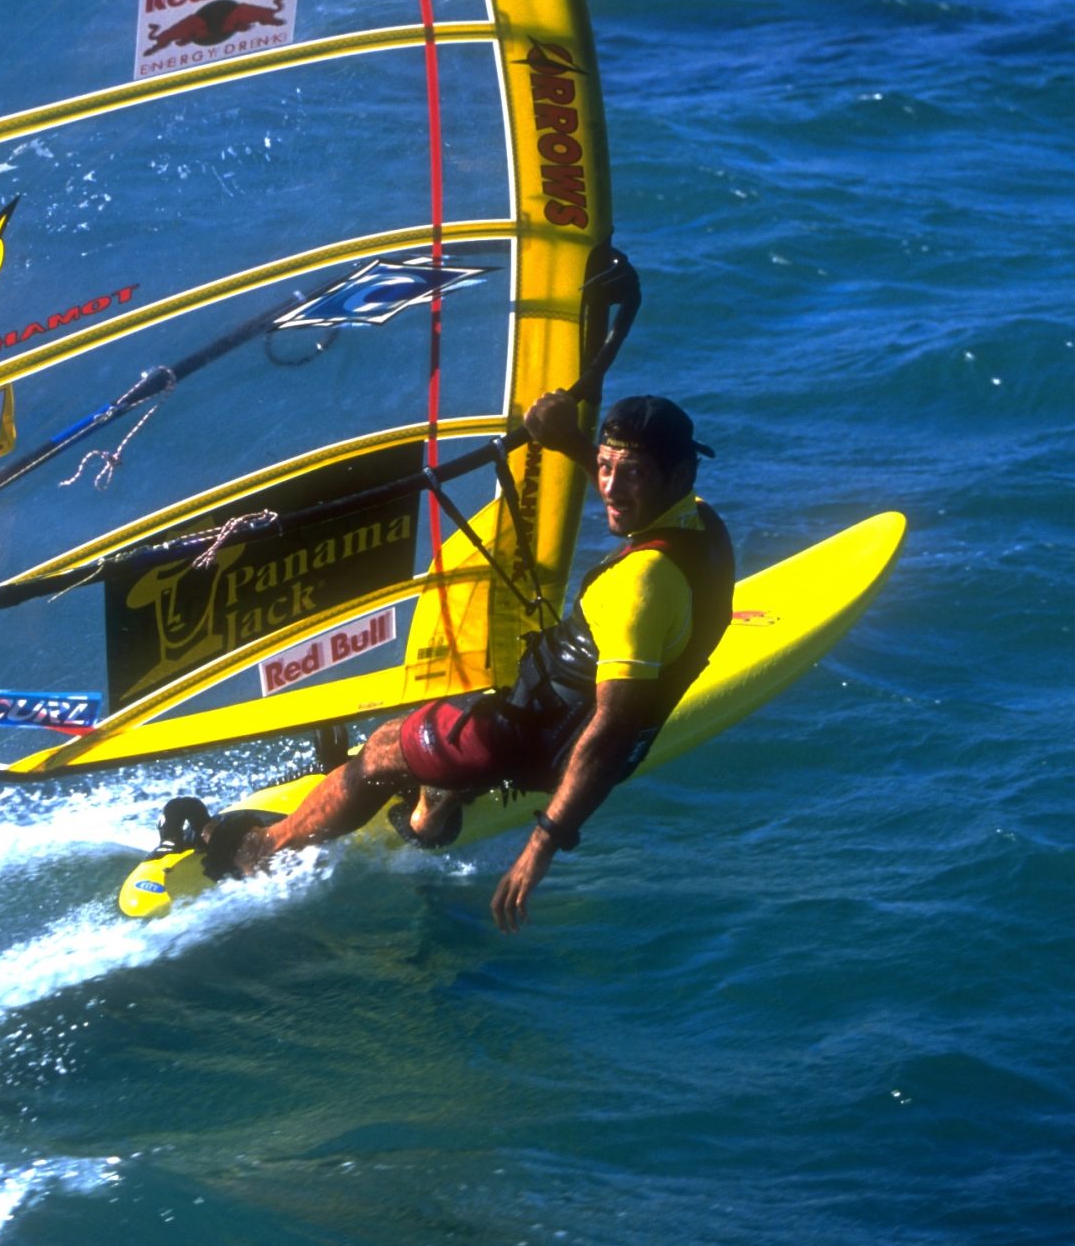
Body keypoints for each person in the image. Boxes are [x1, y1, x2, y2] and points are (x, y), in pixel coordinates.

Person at [221, 391, 735, 932]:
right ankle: (436, 803)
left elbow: (612, 728)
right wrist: (570, 442)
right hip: (575, 727)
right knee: (462, 696)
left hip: (534, 741)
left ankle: (265, 849)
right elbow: (628, 492)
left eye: (632, 474)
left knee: (382, 748)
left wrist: (542, 843)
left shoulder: (641, 583)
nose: (609, 487)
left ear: (678, 474)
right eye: (605, 467)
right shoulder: (702, 525)